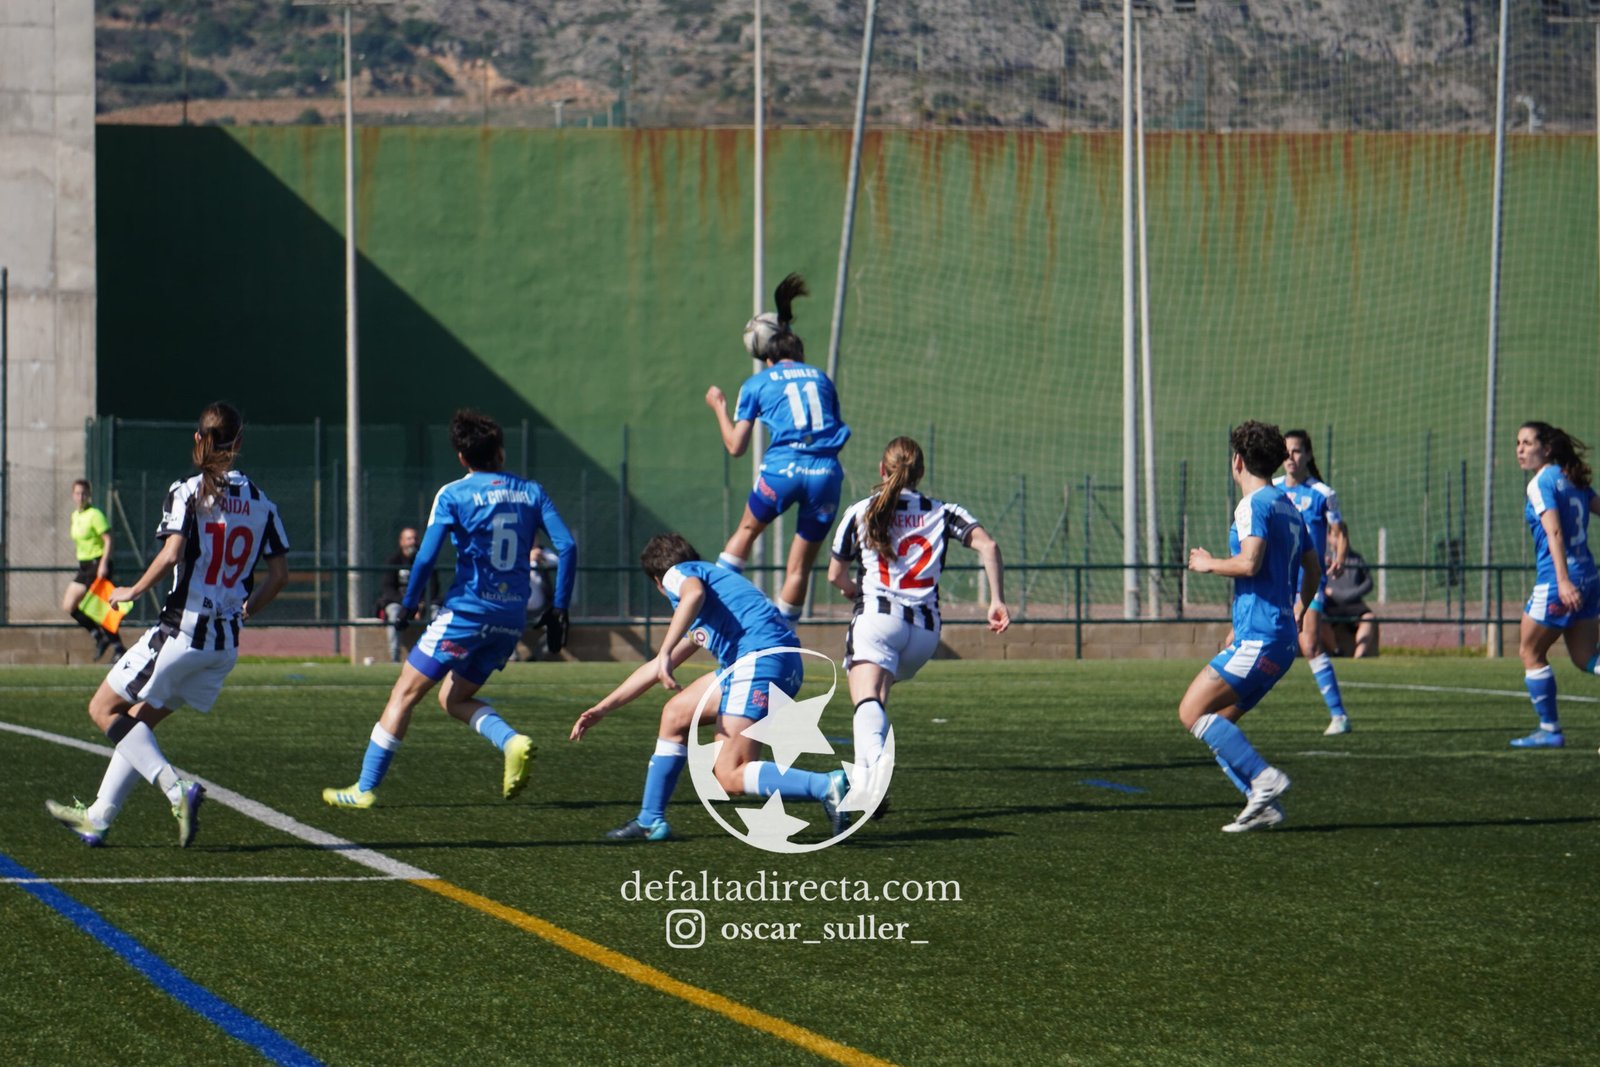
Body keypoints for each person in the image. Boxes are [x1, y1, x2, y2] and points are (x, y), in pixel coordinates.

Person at [45, 403, 290, 847]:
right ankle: (98, 817)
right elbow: (280, 576)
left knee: (102, 710)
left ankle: (178, 790)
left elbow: (172, 553)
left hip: (183, 631)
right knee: (139, 722)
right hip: (224, 644)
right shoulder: (261, 501)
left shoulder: (188, 491)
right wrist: (249, 607)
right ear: (239, 444)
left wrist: (132, 590)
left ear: (199, 440)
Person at [323, 410, 576, 808]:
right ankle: (511, 741)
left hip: (466, 614)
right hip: (511, 619)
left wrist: (408, 605)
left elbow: (424, 559)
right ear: (501, 452)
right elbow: (568, 546)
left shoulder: (454, 494)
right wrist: (560, 609)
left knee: (403, 694)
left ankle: (364, 788)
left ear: (461, 457)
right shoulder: (531, 491)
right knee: (452, 699)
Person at [569, 533, 847, 842]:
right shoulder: (712, 592)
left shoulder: (680, 573)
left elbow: (691, 595)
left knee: (730, 774)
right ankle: (650, 821)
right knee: (675, 713)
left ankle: (825, 786)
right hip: (766, 663)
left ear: (658, 581)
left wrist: (664, 650)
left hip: (757, 663)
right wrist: (602, 708)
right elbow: (658, 666)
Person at [826, 436, 1010, 817]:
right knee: (876, 700)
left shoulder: (861, 511)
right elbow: (988, 546)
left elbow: (835, 575)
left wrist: (851, 591)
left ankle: (872, 781)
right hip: (925, 633)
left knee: (866, 701)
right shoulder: (942, 511)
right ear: (921, 473)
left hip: (878, 619)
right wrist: (996, 601)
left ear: (882, 470)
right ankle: (864, 789)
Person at [1181, 420, 1321, 833]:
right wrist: (1300, 606)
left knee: (1191, 712)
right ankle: (1261, 805)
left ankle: (1264, 779)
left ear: (1237, 461)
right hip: (1277, 639)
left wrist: (1207, 564)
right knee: (1220, 720)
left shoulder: (1254, 504)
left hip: (1261, 637)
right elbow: (1311, 567)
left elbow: (1250, 562)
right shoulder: (1288, 505)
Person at [704, 273, 850, 625]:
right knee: (799, 567)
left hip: (782, 471)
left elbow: (736, 446)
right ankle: (783, 638)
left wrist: (719, 407)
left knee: (747, 531)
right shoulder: (821, 378)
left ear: (768, 357)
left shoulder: (757, 383)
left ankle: (713, 607)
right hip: (825, 474)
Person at [1509, 421, 1600, 749]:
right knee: (1587, 658)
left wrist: (1562, 581)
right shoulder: (1571, 477)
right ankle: (1549, 730)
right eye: (1517, 443)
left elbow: (1555, 533)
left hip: (1559, 580)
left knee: (1530, 651)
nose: (1520, 449)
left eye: (1527, 443)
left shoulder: (1541, 482)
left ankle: (1549, 730)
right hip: (1590, 577)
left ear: (1546, 448)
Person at [1274, 430, 1354, 735]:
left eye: (1296, 452)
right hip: (1279, 579)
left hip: (1309, 579)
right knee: (1240, 639)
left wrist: (1340, 556)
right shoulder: (1274, 489)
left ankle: (1339, 715)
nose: (1290, 458)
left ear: (1308, 454)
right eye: (1286, 452)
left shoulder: (1322, 493)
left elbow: (1339, 531)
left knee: (1309, 643)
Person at [62, 478, 125, 662]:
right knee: (69, 606)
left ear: (89, 495)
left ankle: (119, 648)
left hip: (98, 565)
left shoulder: (95, 514)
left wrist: (104, 563)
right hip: (84, 566)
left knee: (99, 609)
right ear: (73, 495)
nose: (81, 497)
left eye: (84, 493)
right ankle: (99, 637)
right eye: (77, 493)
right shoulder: (76, 515)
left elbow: (108, 539)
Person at [375, 526, 439, 664]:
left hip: (422, 605)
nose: (413, 542)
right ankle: (395, 658)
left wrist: (420, 605)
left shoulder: (425, 561)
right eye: (409, 539)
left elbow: (433, 588)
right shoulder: (393, 561)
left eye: (415, 538)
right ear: (402, 541)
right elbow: (388, 589)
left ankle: (435, 657)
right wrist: (408, 605)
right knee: (394, 612)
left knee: (437, 613)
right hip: (399, 604)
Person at [1319, 545, 1379, 658]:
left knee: (1369, 617)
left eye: (1343, 537)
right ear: (1329, 537)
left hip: (1353, 603)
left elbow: (1369, 583)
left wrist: (1346, 595)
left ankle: (1359, 656)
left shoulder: (1356, 558)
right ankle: (1336, 651)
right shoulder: (1323, 557)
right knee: (1318, 617)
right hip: (1331, 604)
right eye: (1336, 536)